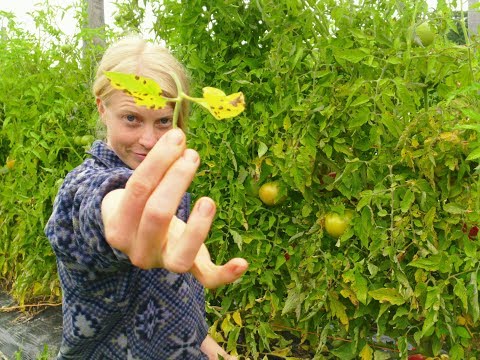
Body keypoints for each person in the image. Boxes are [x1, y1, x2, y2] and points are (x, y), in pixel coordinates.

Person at [45, 36, 248, 359]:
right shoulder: (80, 186)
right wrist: (118, 216)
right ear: (102, 108)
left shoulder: (170, 188)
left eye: (163, 121)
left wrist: (207, 346)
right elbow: (101, 204)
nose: (149, 140)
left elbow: (179, 294)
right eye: (132, 118)